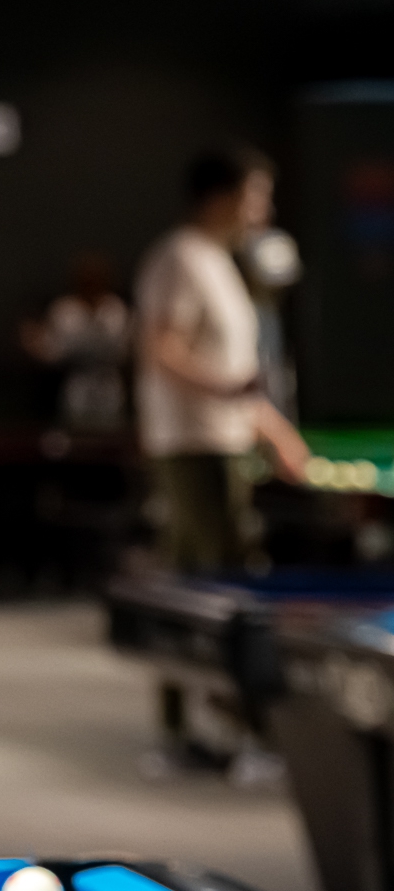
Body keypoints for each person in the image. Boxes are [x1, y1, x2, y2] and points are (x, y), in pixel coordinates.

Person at [134, 148, 310, 574]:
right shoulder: (180, 257)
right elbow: (161, 350)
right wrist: (228, 390)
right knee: (215, 570)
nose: (264, 210)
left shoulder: (218, 261)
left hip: (227, 439)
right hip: (193, 443)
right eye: (255, 196)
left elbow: (233, 369)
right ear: (218, 198)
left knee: (227, 560)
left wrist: (274, 431)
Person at [21, 252, 132, 435]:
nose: (91, 282)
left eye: (96, 277)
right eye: (86, 277)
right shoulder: (65, 309)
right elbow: (52, 352)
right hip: (78, 380)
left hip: (108, 380)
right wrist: (34, 343)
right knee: (76, 433)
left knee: (110, 433)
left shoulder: (115, 308)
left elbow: (125, 350)